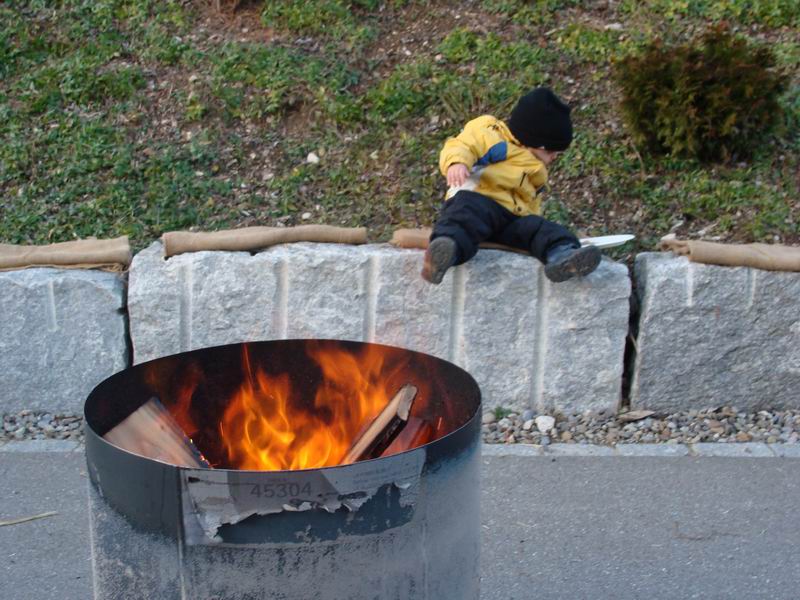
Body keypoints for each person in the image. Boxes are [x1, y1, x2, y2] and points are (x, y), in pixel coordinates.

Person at [421, 87, 601, 284]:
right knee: (463, 215)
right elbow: (462, 145)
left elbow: (531, 201)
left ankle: (563, 255)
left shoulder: (535, 168)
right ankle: (445, 252)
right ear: (537, 143)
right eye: (551, 152)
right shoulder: (494, 136)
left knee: (542, 229)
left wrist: (534, 219)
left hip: (512, 219)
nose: (553, 157)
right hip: (481, 202)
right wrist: (457, 162)